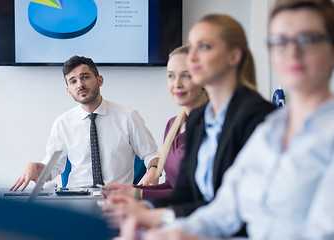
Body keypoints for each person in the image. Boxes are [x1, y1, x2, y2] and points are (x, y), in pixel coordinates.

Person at [132, 0, 334, 239]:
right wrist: (163, 226)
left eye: (307, 39)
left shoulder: (261, 119)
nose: (292, 52)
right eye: (279, 42)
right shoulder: (270, 130)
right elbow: (223, 211)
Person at [105, 13, 276, 235]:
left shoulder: (256, 117)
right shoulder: (199, 118)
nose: (192, 57)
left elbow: (231, 209)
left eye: (203, 47)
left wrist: (155, 215)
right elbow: (185, 194)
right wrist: (142, 208)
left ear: (233, 56)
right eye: (191, 47)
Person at [10, 56, 160, 191]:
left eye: (85, 77)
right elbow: (53, 167)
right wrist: (34, 167)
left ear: (100, 80)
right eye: (73, 81)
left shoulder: (128, 116)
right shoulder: (63, 123)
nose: (80, 84)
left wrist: (153, 170)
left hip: (117, 197)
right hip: (75, 197)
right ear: (69, 90)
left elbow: (152, 155)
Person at [103, 46, 208, 200]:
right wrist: (127, 189)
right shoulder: (173, 125)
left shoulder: (214, 126)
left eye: (186, 76)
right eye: (171, 76)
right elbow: (172, 186)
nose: (176, 84)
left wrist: (137, 193)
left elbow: (197, 193)